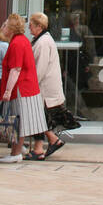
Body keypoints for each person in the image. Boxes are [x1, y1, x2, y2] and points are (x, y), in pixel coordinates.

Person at [0, 13, 60, 162]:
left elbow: (17, 69)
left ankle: (18, 152)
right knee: (25, 121)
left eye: (6, 25)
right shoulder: (24, 41)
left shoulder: (20, 43)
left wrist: (8, 91)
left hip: (24, 88)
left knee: (21, 121)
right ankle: (23, 150)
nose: (3, 27)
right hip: (27, 87)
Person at [28, 12, 68, 158]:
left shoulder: (43, 42)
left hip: (43, 87)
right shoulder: (43, 40)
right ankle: (45, 144)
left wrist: (32, 84)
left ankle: (47, 144)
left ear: (39, 26)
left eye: (31, 25)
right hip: (44, 87)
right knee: (39, 116)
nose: (29, 27)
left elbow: (40, 67)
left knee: (38, 115)